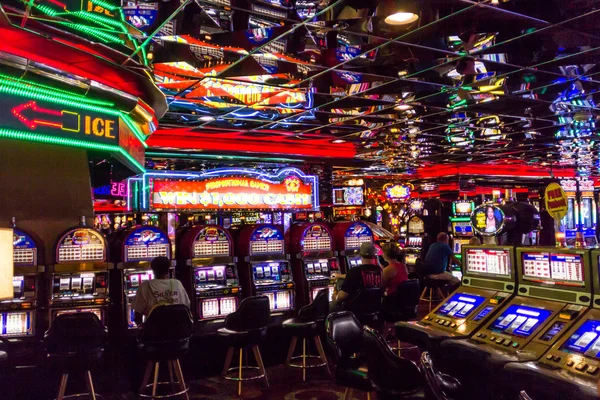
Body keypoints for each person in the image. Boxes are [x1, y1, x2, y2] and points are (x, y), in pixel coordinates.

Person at [131, 256, 191, 325]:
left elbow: (137, 316)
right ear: (168, 269)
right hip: (177, 329)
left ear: (153, 270)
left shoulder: (145, 286)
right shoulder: (177, 283)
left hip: (154, 332)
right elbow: (187, 307)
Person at [330, 242, 382, 312]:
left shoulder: (354, 271)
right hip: (375, 308)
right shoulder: (379, 270)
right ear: (373, 255)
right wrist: (339, 276)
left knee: (330, 306)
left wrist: (335, 297)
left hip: (355, 310)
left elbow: (341, 297)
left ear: (360, 254)